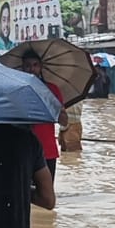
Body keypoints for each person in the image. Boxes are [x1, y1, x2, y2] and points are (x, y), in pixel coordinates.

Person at [19, 51, 69, 184]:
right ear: (23, 67)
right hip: (22, 150)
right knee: (23, 194)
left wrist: (57, 108)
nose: (32, 69)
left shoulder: (51, 90)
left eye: (35, 65)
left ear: (41, 67)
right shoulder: (16, 91)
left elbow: (63, 121)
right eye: (28, 65)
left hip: (47, 150)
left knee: (46, 196)